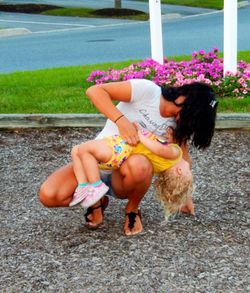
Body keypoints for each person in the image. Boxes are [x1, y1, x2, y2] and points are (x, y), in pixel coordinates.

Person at [39, 79, 218, 236]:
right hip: (96, 163)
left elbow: (182, 161)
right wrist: (122, 122)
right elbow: (95, 91)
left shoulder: (177, 126)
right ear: (183, 101)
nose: (190, 124)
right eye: (195, 118)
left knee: (140, 162)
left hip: (125, 177)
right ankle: (98, 200)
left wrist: (184, 197)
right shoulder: (148, 91)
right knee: (49, 195)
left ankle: (132, 209)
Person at [69, 125, 193, 223]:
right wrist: (171, 138)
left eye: (189, 171)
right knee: (77, 150)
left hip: (121, 148)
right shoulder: (159, 167)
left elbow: (159, 149)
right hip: (116, 159)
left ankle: (96, 185)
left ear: (179, 171)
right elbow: (163, 147)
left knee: (84, 149)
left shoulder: (176, 154)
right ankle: (83, 185)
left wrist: (139, 134)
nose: (189, 167)